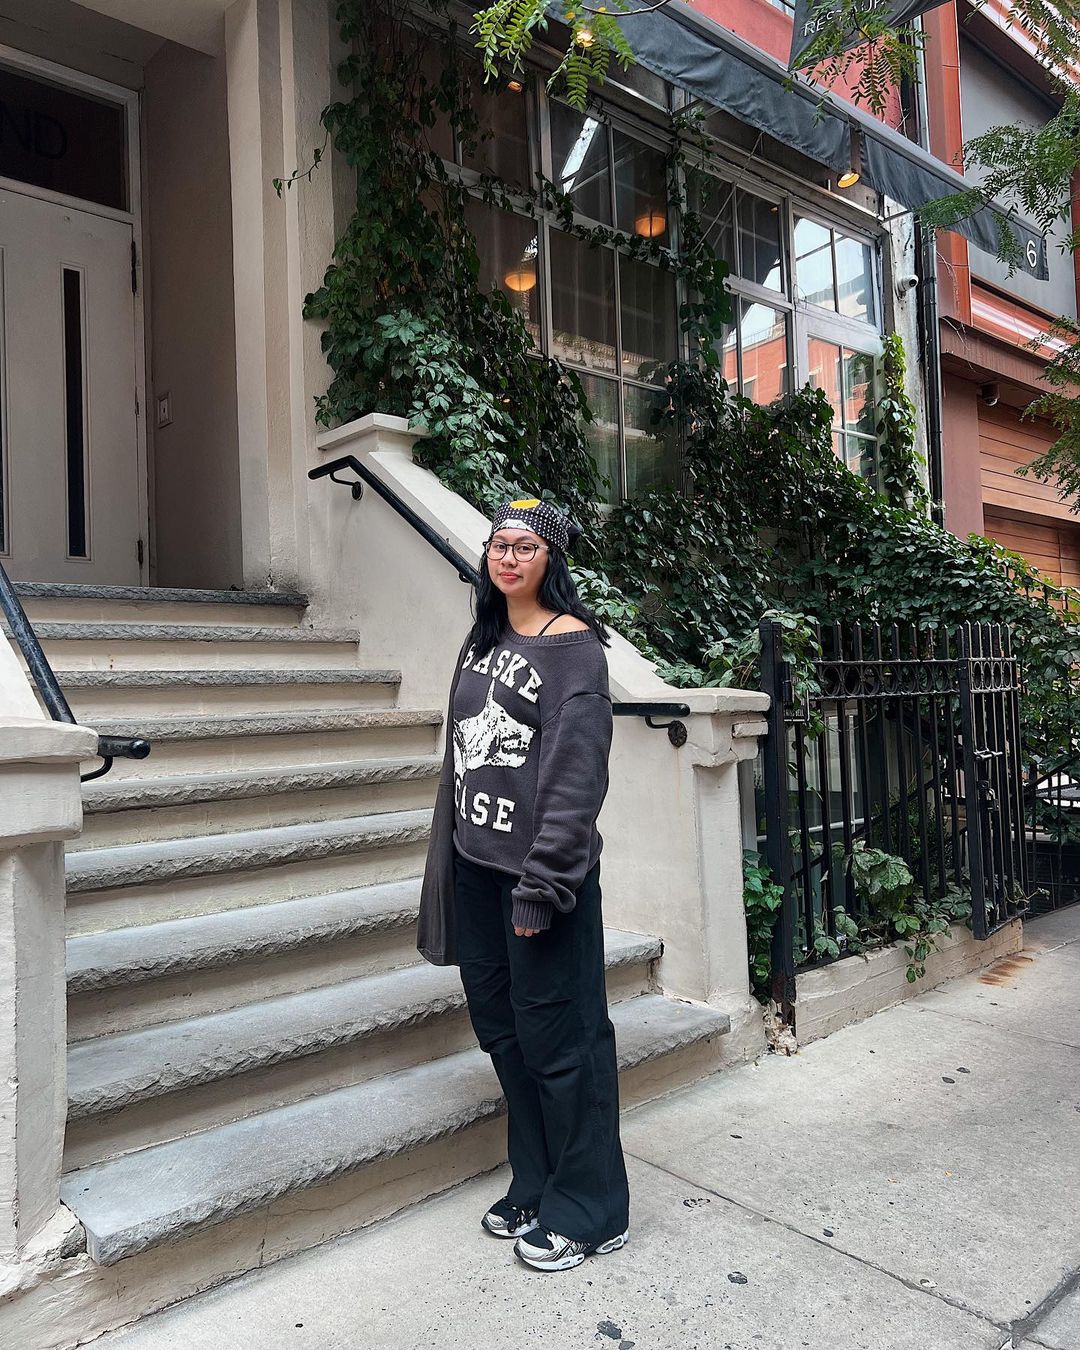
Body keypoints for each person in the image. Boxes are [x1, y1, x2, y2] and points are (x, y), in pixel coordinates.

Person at [417, 496, 630, 1272]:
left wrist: (542, 884)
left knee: (564, 1045)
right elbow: (460, 760)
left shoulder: (575, 650)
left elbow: (576, 779)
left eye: (525, 547)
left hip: (538, 883)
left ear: (551, 560)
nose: (508, 558)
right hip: (477, 873)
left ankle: (593, 1210)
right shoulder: (484, 639)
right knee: (506, 1035)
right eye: (499, 545)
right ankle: (537, 1182)